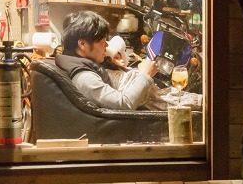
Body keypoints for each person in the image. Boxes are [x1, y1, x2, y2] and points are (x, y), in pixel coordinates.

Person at [54, 10, 200, 111]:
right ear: (82, 44)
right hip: (163, 103)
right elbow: (123, 104)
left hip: (162, 94)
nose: (106, 45)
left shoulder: (84, 62)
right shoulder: (84, 77)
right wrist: (145, 75)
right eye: (102, 41)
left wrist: (112, 65)